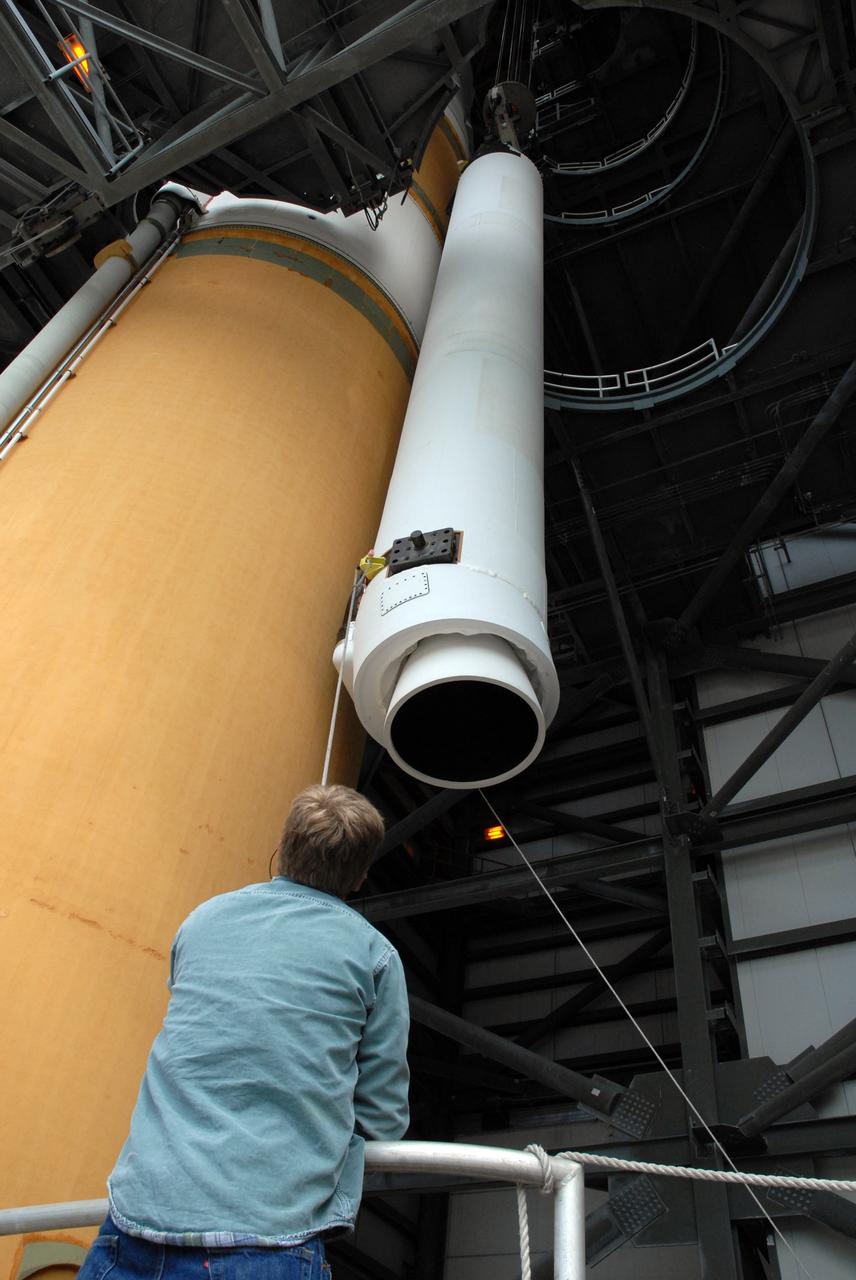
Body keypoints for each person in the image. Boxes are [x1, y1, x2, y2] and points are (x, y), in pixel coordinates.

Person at [78, 784, 410, 1280]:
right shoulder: (375, 956)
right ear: (361, 876)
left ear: (281, 849)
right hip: (270, 1235)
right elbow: (383, 1118)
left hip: (135, 1222)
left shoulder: (200, 921)